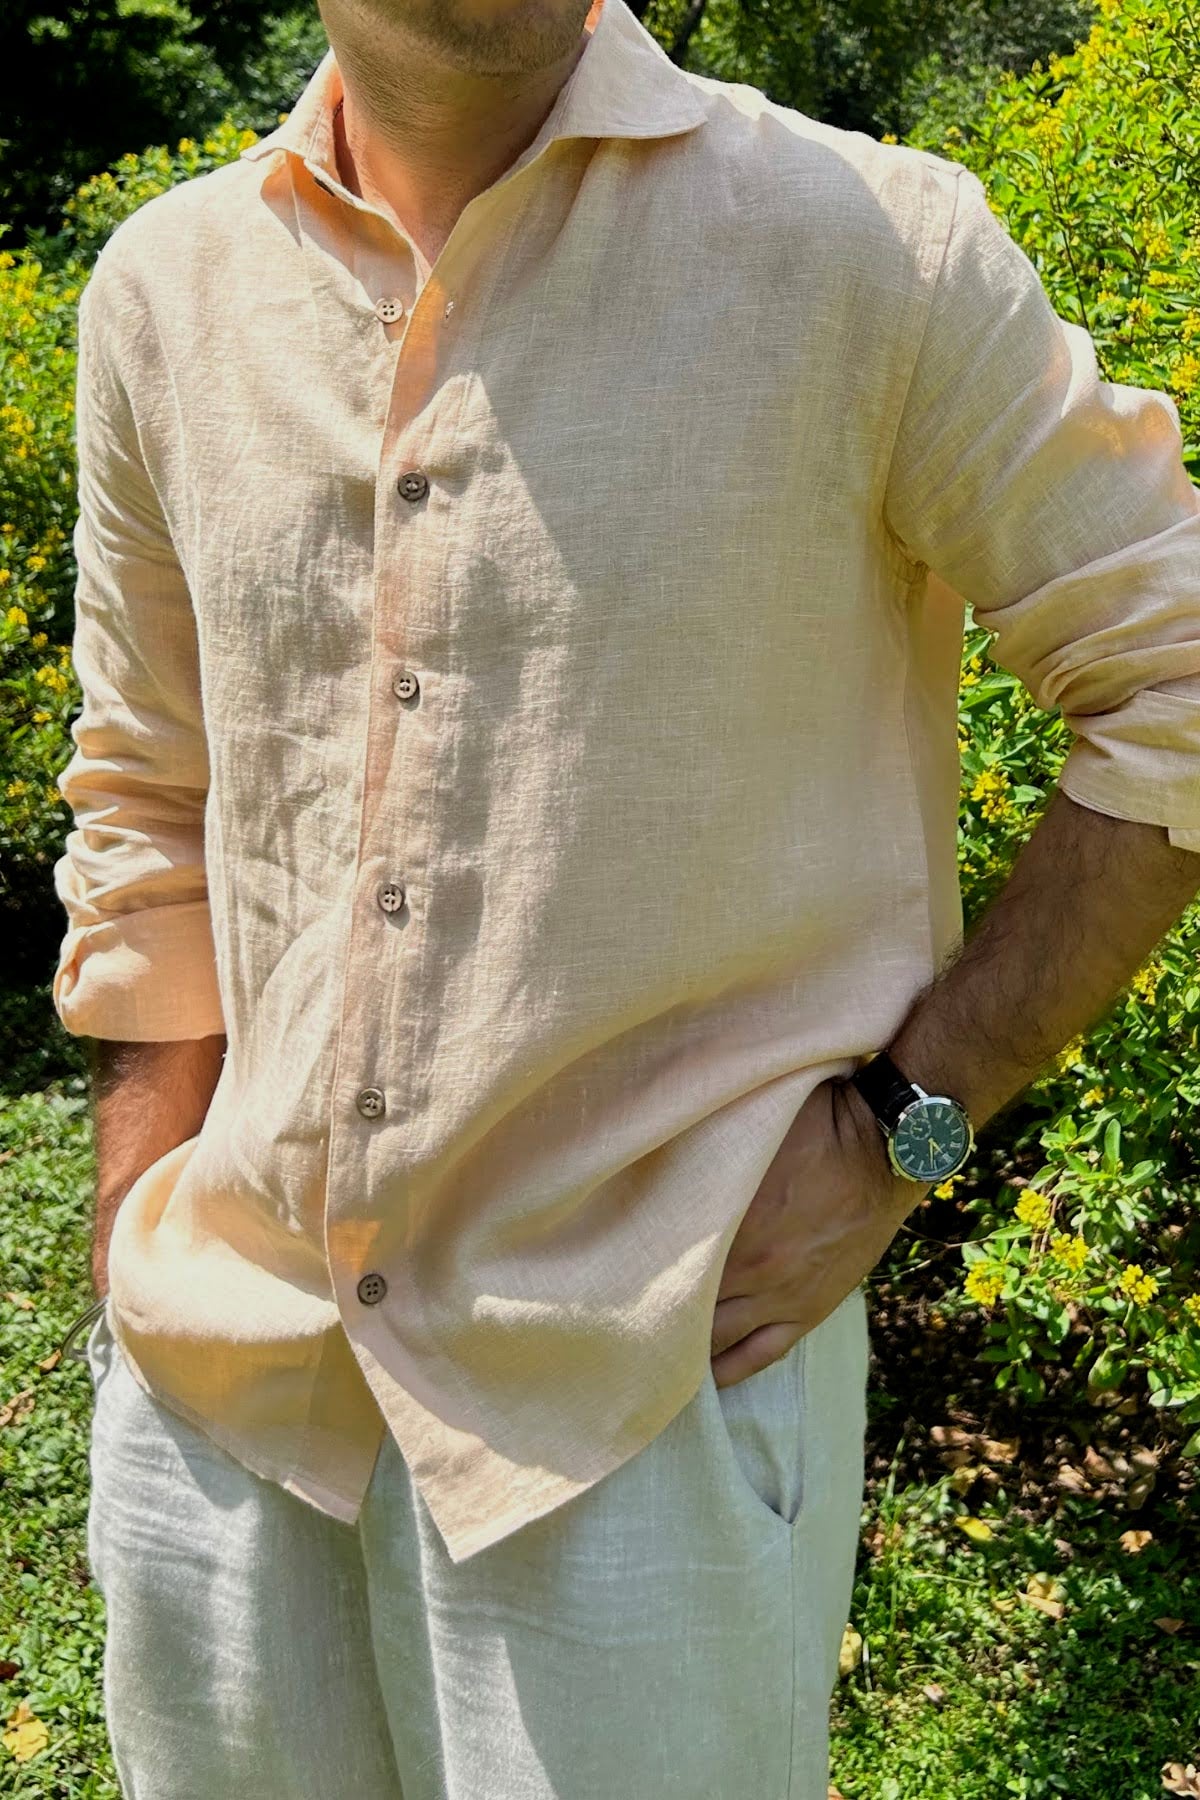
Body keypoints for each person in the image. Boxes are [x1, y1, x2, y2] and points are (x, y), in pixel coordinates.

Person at [53, 0, 1200, 1793]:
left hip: (653, 1387)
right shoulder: (164, 292)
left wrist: (915, 1117)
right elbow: (149, 783)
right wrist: (139, 1208)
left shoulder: (865, 249)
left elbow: (1174, 671)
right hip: (225, 1382)